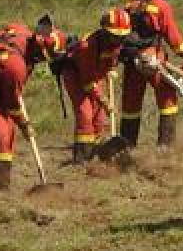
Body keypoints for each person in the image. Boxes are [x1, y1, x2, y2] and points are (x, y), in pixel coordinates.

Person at [0, 19, 65, 188]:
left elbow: (12, 25)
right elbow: (13, 104)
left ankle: (2, 180)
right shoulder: (15, 66)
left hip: (2, 86)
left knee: (9, 133)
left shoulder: (23, 34)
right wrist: (24, 124)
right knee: (1, 136)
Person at [119, 0, 183, 147]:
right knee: (168, 98)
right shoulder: (161, 6)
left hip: (130, 61)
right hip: (152, 60)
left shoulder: (132, 4)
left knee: (130, 106)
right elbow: (176, 44)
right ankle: (165, 149)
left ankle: (125, 149)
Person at [55, 9, 129, 163]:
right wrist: (103, 99)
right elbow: (87, 81)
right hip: (76, 75)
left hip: (96, 74)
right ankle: (82, 157)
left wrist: (112, 70)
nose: (118, 40)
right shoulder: (86, 46)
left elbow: (111, 61)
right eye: (115, 36)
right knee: (85, 113)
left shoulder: (117, 43)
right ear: (105, 32)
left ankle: (97, 152)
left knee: (99, 116)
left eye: (121, 37)